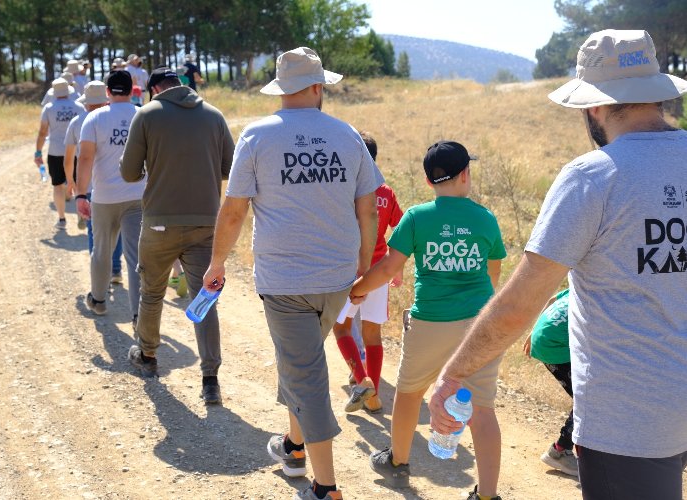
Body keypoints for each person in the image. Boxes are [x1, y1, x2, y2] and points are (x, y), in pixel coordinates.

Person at [430, 29, 687, 500]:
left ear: (593, 106)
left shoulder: (594, 176)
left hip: (630, 417)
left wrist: (453, 374)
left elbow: (519, 306)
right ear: (655, 94)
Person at [202, 47, 382, 500]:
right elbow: (367, 210)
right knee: (300, 362)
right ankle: (293, 446)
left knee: (305, 372)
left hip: (285, 282)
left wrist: (217, 262)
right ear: (320, 87)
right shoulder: (347, 135)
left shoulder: (257, 136)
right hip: (338, 279)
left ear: (282, 89)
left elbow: (234, 210)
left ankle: (326, 486)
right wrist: (363, 268)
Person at [349, 141, 505, 498]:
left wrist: (358, 289)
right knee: (482, 409)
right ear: (466, 174)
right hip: (478, 327)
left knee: (409, 392)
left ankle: (398, 461)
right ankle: (488, 494)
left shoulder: (417, 216)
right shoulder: (485, 219)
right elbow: (492, 275)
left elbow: (389, 268)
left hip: (430, 322)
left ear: (427, 179)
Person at [120, 67, 234, 402]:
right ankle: (210, 378)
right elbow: (231, 169)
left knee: (152, 293)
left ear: (155, 88)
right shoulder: (214, 116)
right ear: (181, 85)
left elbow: (128, 173)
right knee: (204, 299)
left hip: (159, 222)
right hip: (205, 224)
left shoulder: (147, 115)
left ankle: (148, 355)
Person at [334, 131, 403, 415]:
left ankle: (361, 379)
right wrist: (395, 267)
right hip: (380, 272)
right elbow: (399, 227)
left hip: (349, 272)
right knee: (373, 334)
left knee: (341, 327)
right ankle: (373, 397)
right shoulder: (386, 192)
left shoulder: (345, 190)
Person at [75, 70, 145, 326]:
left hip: (104, 196)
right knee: (136, 256)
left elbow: (85, 158)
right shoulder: (142, 115)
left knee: (102, 250)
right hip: (138, 195)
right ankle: (138, 314)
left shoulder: (94, 118)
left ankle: (99, 299)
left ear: (107, 92)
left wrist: (81, 194)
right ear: (131, 89)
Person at [63, 80, 124, 281]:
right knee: (118, 228)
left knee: (94, 232)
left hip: (90, 185)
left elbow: (70, 157)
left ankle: (99, 274)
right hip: (119, 183)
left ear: (86, 103)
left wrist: (71, 183)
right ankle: (115, 269)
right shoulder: (117, 118)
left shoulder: (77, 122)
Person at [522, 289, 577, 477]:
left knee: (589, 397)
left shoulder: (585, 281)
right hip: (555, 346)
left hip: (543, 337)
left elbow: (553, 298)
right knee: (590, 399)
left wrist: (533, 332)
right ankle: (560, 451)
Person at [34, 77, 84, 230]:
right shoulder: (79, 107)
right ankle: (81, 216)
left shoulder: (49, 108)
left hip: (55, 151)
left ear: (54, 93)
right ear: (68, 92)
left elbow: (43, 132)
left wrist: (37, 152)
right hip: (75, 151)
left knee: (57, 185)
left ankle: (62, 219)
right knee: (78, 185)